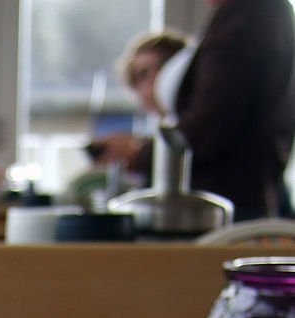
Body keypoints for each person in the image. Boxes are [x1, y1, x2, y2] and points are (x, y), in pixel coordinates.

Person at [91, 0, 295, 220]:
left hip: (227, 206)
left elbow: (211, 125)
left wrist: (139, 154)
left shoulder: (244, 17)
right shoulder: (260, 13)